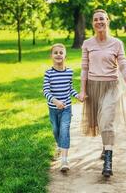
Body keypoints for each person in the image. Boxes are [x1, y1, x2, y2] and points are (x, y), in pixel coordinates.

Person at [78, 9, 126, 177]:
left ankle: (108, 161)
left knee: (107, 119)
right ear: (92, 23)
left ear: (108, 21)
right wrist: (83, 91)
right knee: (99, 121)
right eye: (96, 19)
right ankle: (106, 146)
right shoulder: (87, 44)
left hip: (111, 86)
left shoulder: (117, 43)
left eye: (102, 19)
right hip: (93, 86)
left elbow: (124, 67)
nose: (99, 22)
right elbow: (84, 68)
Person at [43, 43, 81, 172]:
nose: (58, 55)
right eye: (56, 53)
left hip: (66, 108)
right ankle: (60, 145)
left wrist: (77, 95)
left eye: (61, 52)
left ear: (65, 56)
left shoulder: (69, 72)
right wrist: (55, 101)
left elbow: (70, 88)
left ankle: (64, 160)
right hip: (53, 109)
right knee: (56, 130)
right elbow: (46, 91)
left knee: (64, 130)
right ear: (51, 56)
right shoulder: (48, 73)